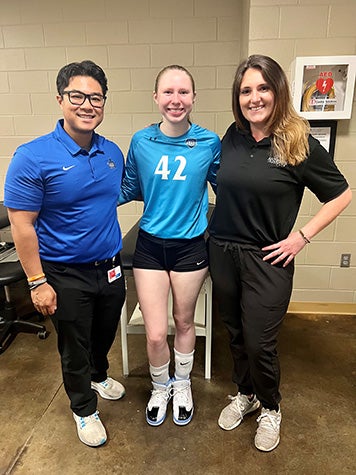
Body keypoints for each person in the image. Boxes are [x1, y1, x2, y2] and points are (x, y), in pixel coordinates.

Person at [208, 54, 352, 452]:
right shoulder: (232, 136)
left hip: (268, 258)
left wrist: (301, 237)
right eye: (245, 91)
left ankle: (270, 406)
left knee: (259, 341)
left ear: (278, 90)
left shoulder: (298, 140)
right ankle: (245, 393)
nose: (254, 98)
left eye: (262, 88)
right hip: (223, 250)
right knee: (234, 333)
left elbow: (341, 194)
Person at [4, 60, 127, 448]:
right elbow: (21, 224)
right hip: (64, 272)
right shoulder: (32, 156)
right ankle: (83, 408)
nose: (87, 105)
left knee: (104, 332)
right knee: (74, 343)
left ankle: (98, 374)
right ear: (60, 99)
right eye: (78, 96)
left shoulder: (112, 152)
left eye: (96, 98)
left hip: (110, 266)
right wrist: (37, 282)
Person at [119, 65, 220, 427]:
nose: (175, 100)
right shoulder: (142, 141)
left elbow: (228, 189)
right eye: (168, 92)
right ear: (156, 97)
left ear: (193, 98)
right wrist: (80, 199)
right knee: (156, 330)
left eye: (183, 92)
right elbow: (128, 188)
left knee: (183, 321)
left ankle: (183, 384)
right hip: (150, 246)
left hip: (190, 247)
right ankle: (160, 386)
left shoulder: (209, 142)